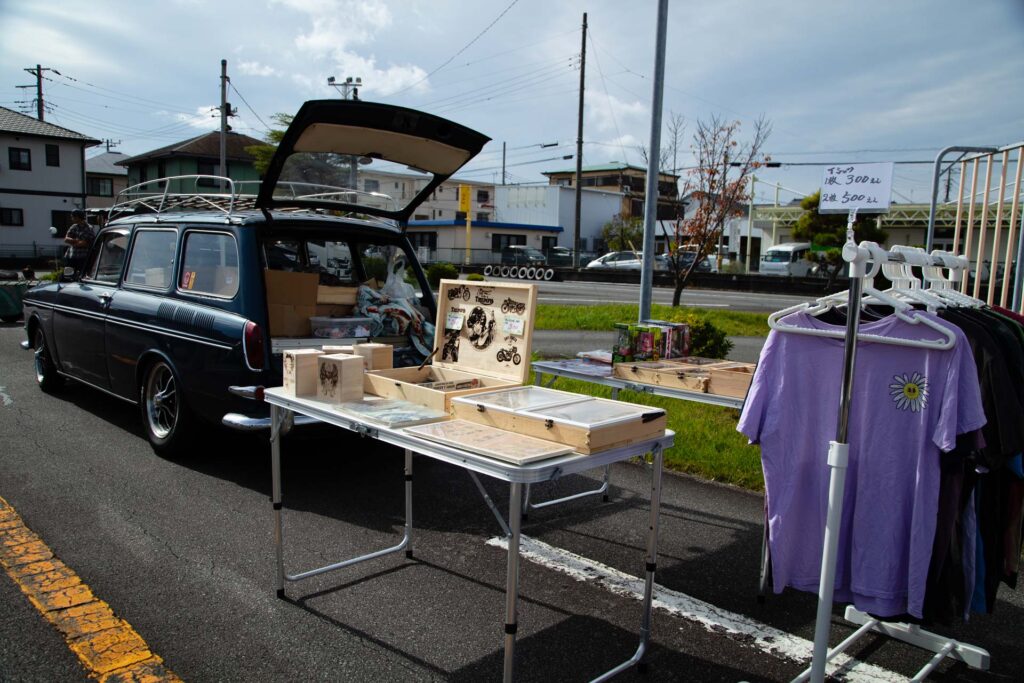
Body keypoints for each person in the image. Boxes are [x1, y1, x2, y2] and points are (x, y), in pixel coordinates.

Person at [64, 209, 95, 274]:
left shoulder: (89, 228)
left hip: (82, 257)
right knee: (68, 275)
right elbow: (66, 239)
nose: (72, 219)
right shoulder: (73, 227)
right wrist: (76, 240)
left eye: (73, 217)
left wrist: (73, 242)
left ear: (77, 217)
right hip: (70, 255)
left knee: (81, 275)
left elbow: (84, 243)